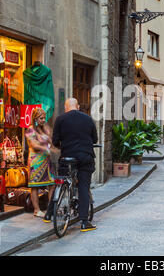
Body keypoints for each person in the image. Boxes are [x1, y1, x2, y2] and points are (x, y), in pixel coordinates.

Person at [52, 98, 98, 232]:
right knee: (83, 186)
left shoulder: (60, 119)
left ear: (66, 108)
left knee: (61, 182)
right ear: (77, 106)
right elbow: (94, 139)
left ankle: (50, 214)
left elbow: (55, 141)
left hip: (67, 158)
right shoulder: (88, 119)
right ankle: (84, 222)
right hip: (85, 157)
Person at [25, 108, 56, 220]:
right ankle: (37, 210)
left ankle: (51, 208)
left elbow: (51, 141)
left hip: (47, 160)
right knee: (35, 186)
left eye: (44, 118)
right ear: (35, 119)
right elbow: (34, 145)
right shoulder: (30, 130)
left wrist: (53, 146)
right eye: (41, 118)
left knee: (52, 184)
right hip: (36, 161)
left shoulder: (45, 129)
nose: (43, 120)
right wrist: (45, 148)